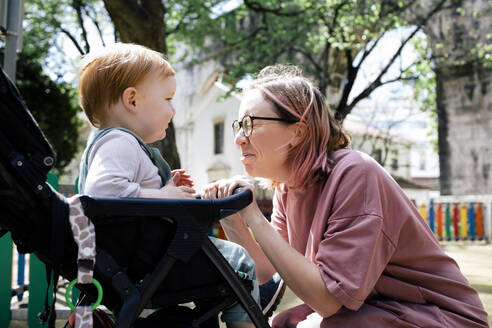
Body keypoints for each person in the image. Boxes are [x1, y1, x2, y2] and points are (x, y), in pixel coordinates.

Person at [202, 64, 489, 327]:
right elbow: (268, 272)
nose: (240, 137)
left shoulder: (356, 174)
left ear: (298, 133)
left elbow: (327, 300)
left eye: (250, 123)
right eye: (239, 126)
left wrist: (254, 216)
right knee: (286, 322)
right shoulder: (288, 187)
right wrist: (232, 217)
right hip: (377, 311)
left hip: (439, 316)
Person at [76, 42, 259, 328]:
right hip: (154, 262)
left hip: (138, 259)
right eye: (168, 99)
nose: (174, 110)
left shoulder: (118, 145)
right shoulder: (119, 142)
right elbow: (103, 192)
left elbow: (126, 192)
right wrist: (161, 194)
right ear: (133, 101)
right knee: (240, 262)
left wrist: (166, 186)